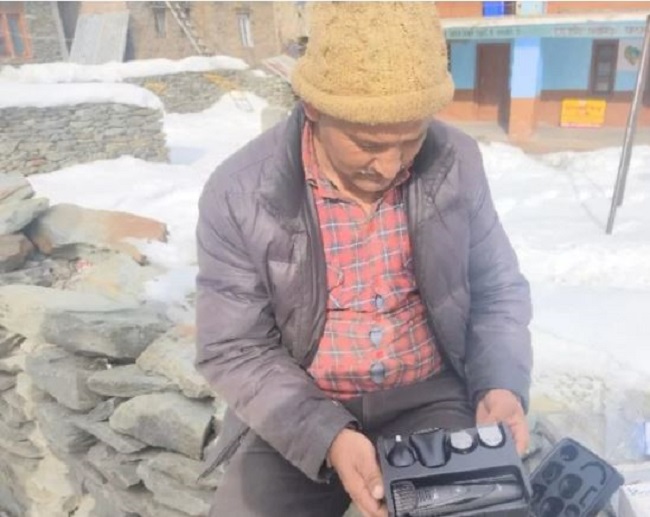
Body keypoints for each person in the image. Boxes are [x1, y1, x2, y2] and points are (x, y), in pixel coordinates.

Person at [195, 3, 532, 517]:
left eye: (411, 140)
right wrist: (326, 434)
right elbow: (233, 347)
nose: (391, 166)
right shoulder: (241, 192)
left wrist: (500, 383)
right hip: (302, 401)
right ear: (313, 109)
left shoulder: (455, 161)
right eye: (369, 144)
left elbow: (497, 288)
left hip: (429, 397)